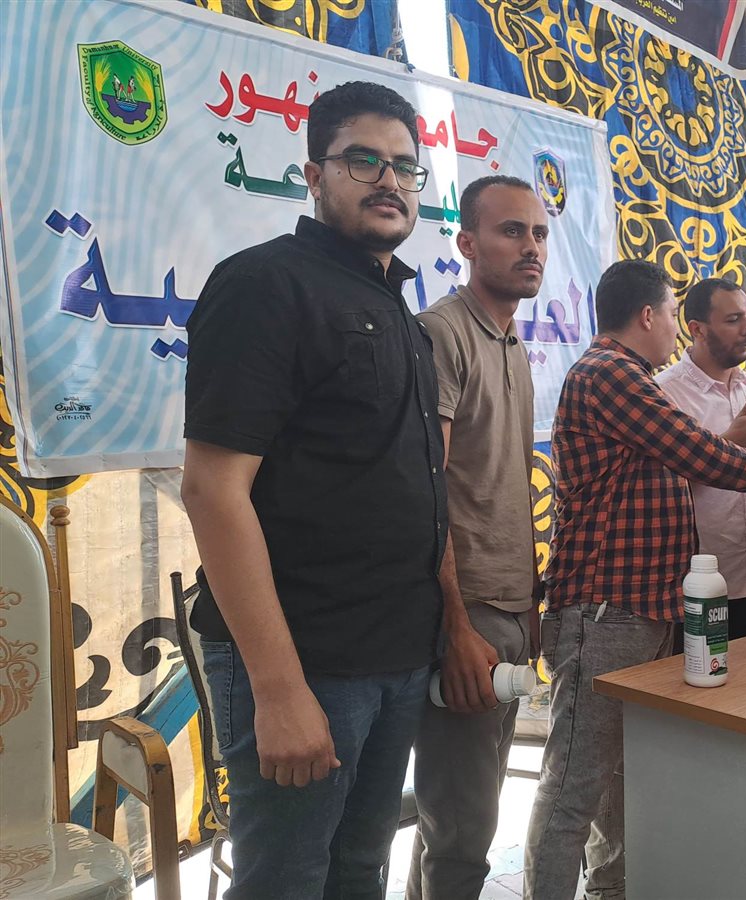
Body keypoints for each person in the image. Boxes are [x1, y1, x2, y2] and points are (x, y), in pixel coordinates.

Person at [182, 82, 444, 899]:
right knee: (285, 882)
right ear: (313, 175)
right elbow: (212, 491)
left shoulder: (399, 312)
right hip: (307, 661)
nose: (389, 180)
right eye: (363, 160)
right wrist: (279, 689)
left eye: (405, 166)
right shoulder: (265, 285)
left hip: (396, 655)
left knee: (359, 870)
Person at [523, 259, 746, 900]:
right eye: (675, 314)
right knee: (574, 784)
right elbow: (700, 453)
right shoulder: (611, 374)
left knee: (617, 772)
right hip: (607, 607)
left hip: (642, 606)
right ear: (649, 315)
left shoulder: (626, 376)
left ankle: (610, 889)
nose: (677, 330)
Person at [407, 175, 547, 899]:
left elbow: (508, 484)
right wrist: (456, 626)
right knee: (461, 828)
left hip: (509, 607)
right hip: (465, 614)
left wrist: (531, 603)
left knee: (466, 815)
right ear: (466, 243)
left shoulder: (513, 342)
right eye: (511, 231)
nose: (531, 247)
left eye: (539, 233)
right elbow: (426, 490)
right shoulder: (443, 333)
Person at [657, 277, 746, 638]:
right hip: (695, 584)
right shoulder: (666, 394)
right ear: (697, 329)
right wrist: (730, 443)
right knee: (697, 673)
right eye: (733, 320)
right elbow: (660, 487)